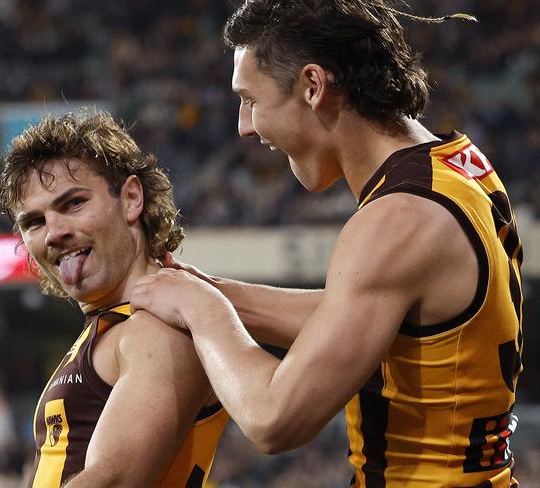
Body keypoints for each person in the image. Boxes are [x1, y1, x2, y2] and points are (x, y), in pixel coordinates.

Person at [131, 1, 523, 486]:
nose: (244, 125)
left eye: (250, 99)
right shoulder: (458, 163)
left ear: (314, 86)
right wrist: (206, 288)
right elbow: (363, 315)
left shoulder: (398, 220)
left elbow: (274, 419)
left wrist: (200, 309)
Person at [0, 111, 227, 487]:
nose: (53, 233)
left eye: (73, 204)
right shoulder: (113, 326)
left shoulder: (157, 330)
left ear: (132, 198)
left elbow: (112, 480)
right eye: (33, 223)